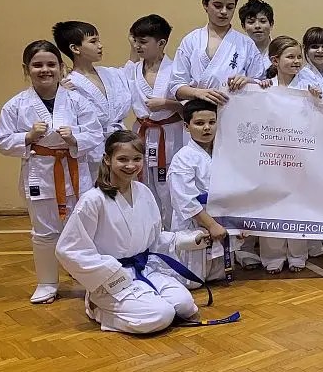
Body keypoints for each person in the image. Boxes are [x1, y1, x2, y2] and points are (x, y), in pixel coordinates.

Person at [55, 130, 213, 334]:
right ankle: (97, 308)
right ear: (107, 159)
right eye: (122, 159)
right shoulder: (93, 200)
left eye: (137, 159)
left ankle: (143, 302)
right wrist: (109, 271)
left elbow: (154, 238)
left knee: (185, 306)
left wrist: (187, 239)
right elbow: (68, 249)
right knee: (161, 315)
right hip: (112, 277)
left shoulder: (143, 191)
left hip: (145, 268)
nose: (130, 165)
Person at [0, 40, 103, 304]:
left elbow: (96, 133)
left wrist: (74, 137)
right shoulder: (16, 105)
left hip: (75, 171)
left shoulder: (77, 101)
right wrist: (27, 136)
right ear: (26, 69)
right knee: (44, 231)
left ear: (61, 67)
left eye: (51, 64)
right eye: (37, 65)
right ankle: (47, 282)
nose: (45, 70)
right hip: (40, 173)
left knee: (83, 228)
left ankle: (87, 279)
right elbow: (0, 141)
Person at [259, 36, 323, 272]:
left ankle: (297, 254)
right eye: (290, 57)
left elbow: (322, 115)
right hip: (272, 154)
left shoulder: (309, 87)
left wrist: (317, 98)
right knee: (272, 203)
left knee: (298, 203)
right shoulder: (265, 87)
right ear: (275, 60)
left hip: (300, 154)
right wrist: (254, 87)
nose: (296, 61)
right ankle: (272, 256)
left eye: (298, 57)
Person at [169, 100, 240, 280]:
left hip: (223, 220)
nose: (207, 128)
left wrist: (241, 221)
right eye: (199, 123)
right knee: (194, 280)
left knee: (220, 276)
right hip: (196, 224)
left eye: (212, 122)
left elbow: (237, 189)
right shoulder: (183, 158)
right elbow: (185, 200)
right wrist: (211, 225)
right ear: (187, 126)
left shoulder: (224, 153)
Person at [124, 14, 184, 229]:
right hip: (142, 133)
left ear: (161, 43)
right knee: (143, 187)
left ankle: (173, 237)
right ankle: (149, 235)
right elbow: (113, 91)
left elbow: (192, 107)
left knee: (170, 188)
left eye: (143, 41)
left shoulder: (177, 69)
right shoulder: (131, 70)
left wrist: (167, 103)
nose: (138, 46)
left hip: (170, 134)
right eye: (136, 41)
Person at [168, 0, 266, 105]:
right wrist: (197, 93)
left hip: (235, 109)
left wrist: (248, 81)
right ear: (205, 4)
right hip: (197, 110)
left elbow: (261, 81)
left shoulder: (246, 44)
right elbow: (176, 85)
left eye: (230, 7)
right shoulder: (191, 41)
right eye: (218, 6)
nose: (224, 12)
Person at [53, 21, 132, 175]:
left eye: (99, 40)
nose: (100, 46)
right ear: (75, 48)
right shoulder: (69, 83)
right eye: (93, 41)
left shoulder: (110, 74)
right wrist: (61, 94)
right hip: (92, 150)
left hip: (120, 143)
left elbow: (131, 72)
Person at [238, 0, 275, 67]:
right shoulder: (237, 52)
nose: (257, 26)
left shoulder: (281, 51)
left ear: (271, 24)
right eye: (251, 22)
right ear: (243, 26)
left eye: (263, 21)